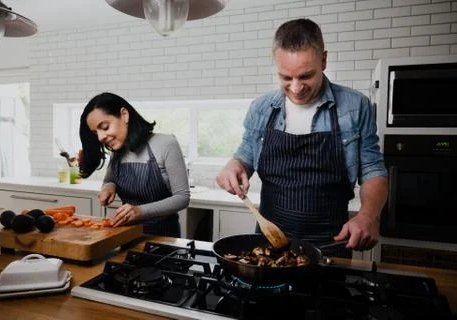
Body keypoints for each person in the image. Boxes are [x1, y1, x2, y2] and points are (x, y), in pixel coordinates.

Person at [216, 18, 388, 256]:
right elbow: (247, 150)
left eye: (306, 76)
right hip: (269, 240)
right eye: (286, 78)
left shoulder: (355, 106)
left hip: (331, 243)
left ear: (324, 60)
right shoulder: (261, 108)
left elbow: (373, 168)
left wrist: (368, 215)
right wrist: (235, 164)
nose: (296, 88)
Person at [79, 92, 190, 237]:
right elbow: (109, 179)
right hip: (127, 235)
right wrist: (108, 187)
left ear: (124, 115)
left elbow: (182, 197)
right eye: (96, 133)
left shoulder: (165, 143)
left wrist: (140, 211)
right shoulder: (117, 150)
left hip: (164, 238)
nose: (101, 137)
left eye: (105, 127)